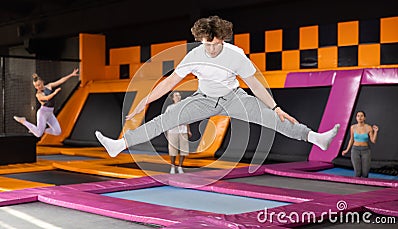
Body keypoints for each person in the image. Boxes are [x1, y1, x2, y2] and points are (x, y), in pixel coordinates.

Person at [95, 16, 340, 159]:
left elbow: (254, 82)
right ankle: (120, 145)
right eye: (206, 45)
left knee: (273, 118)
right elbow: (170, 82)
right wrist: (144, 101)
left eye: (214, 45)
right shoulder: (194, 55)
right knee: (166, 118)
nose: (210, 50)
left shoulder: (236, 55)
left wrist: (275, 106)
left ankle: (316, 138)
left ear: (222, 39)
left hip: (234, 98)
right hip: (203, 99)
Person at [14, 69, 79, 137]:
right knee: (39, 134)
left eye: (39, 85)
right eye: (35, 86)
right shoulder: (38, 94)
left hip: (50, 113)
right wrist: (54, 93)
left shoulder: (49, 86)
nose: (38, 87)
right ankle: (23, 121)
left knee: (57, 132)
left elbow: (60, 81)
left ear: (42, 82)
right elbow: (47, 98)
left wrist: (71, 75)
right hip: (43, 113)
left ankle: (37, 130)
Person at [342, 111, 378, 178]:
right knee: (357, 173)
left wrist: (375, 132)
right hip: (355, 150)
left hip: (366, 150)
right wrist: (346, 150)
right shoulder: (353, 127)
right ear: (356, 118)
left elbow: (373, 141)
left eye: (361, 116)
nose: (360, 117)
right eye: (358, 116)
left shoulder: (369, 127)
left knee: (365, 173)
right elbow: (351, 139)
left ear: (364, 118)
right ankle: (356, 188)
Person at [166, 92, 192, 174]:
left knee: (183, 150)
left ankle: (180, 166)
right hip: (173, 131)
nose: (178, 96)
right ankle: (172, 166)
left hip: (183, 131)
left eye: (179, 95)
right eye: (176, 95)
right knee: (173, 150)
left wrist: (188, 130)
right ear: (173, 98)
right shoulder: (170, 108)